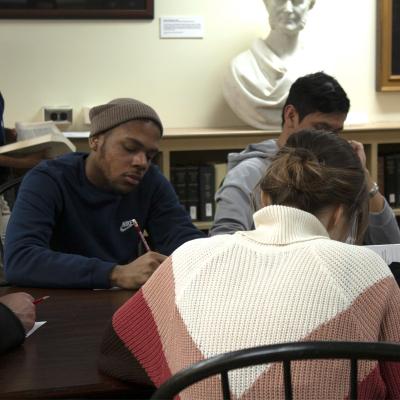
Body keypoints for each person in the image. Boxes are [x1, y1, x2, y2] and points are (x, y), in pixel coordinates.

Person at [98, 130, 400, 398]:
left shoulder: (189, 258)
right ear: (339, 213)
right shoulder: (368, 270)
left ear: (265, 198)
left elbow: (118, 355)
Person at [4, 98, 205, 289]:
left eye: (150, 155)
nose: (141, 162)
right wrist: (115, 274)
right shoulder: (48, 179)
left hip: (116, 302)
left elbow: (182, 238)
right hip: (55, 302)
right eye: (129, 148)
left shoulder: (150, 181)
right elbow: (20, 259)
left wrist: (216, 250)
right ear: (95, 141)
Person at [212, 72, 400, 245]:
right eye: (320, 128)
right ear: (291, 115)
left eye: (336, 132)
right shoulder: (248, 174)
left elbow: (391, 245)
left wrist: (364, 178)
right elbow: (222, 245)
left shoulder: (336, 169)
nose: (329, 138)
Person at [223, 0, 317, 129]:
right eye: (279, 1)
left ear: (310, 5)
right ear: (266, 4)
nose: (288, 9)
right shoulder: (239, 69)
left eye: (297, 1)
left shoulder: (319, 67)